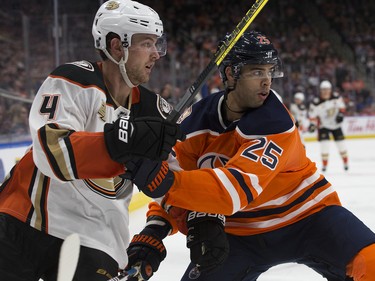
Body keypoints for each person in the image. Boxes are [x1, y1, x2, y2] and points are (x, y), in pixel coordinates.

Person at [124, 31, 375, 281]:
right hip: (240, 235)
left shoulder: (274, 120)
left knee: (371, 261)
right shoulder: (194, 123)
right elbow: (179, 183)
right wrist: (155, 229)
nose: (267, 80)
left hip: (307, 217)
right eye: (257, 71)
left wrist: (164, 181)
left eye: (269, 71)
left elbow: (233, 191)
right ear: (231, 74)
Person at [0, 0, 184, 280]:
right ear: (116, 46)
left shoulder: (157, 113)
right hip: (25, 220)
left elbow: (177, 187)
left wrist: (157, 232)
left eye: (158, 43)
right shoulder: (74, 80)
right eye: (147, 43)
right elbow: (53, 151)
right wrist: (125, 142)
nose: (157, 54)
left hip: (96, 240)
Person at [308, 80, 349, 172]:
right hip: (324, 126)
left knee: (341, 145)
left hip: (336, 125)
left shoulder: (336, 97)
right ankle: (324, 166)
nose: (326, 91)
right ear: (320, 90)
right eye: (323, 89)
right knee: (324, 146)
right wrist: (312, 125)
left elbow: (342, 107)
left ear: (330, 90)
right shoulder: (316, 102)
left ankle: (346, 163)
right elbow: (312, 116)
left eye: (327, 89)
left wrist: (341, 114)